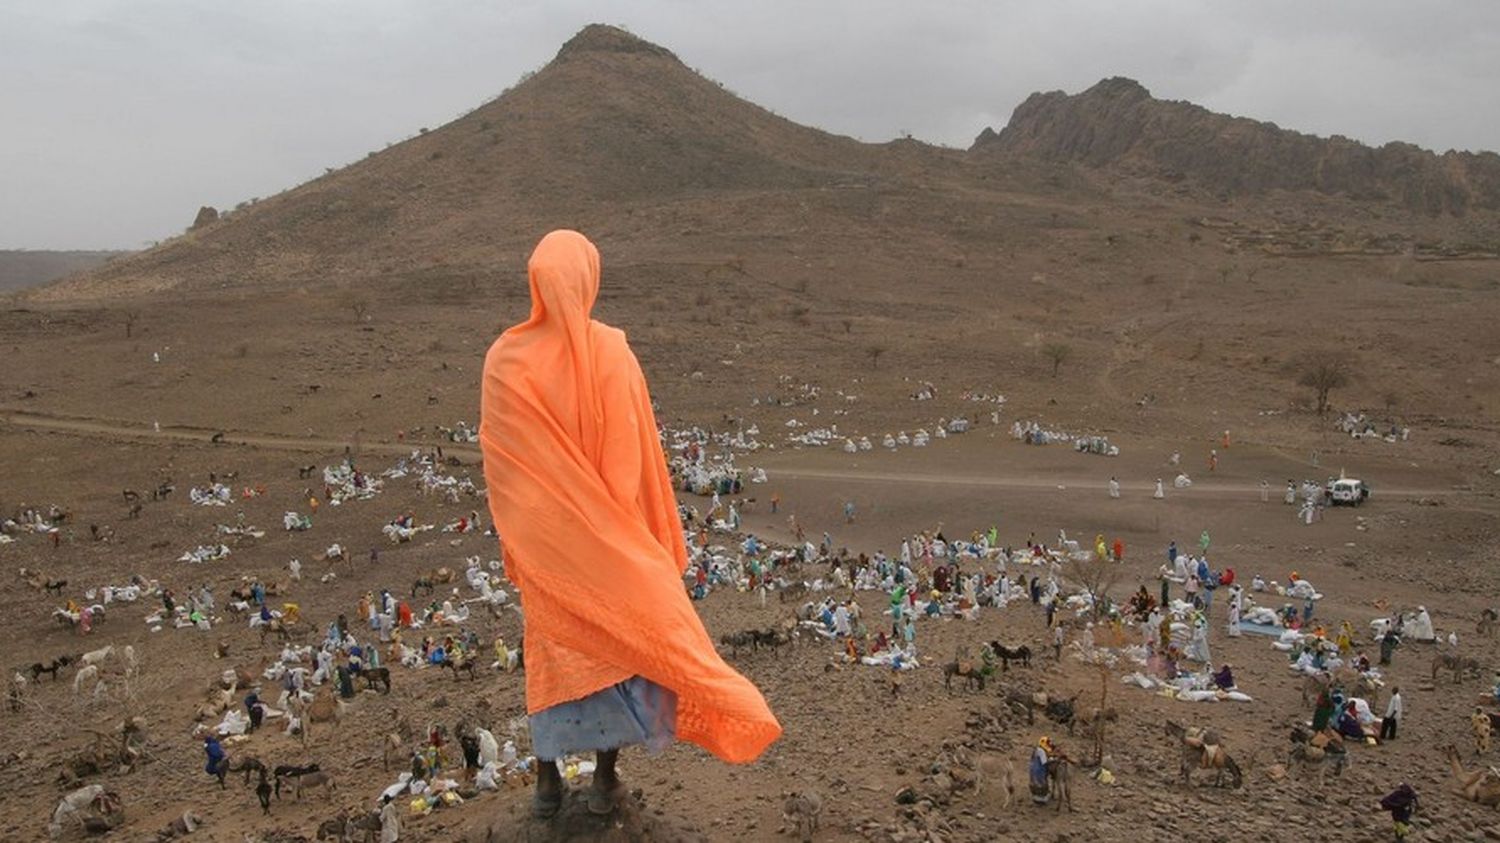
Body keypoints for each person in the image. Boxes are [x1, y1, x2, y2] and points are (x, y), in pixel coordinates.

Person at [480, 232, 780, 819]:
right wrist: (625, 535)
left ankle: (546, 787)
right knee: (623, 647)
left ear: (535, 282)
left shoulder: (504, 359)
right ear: (589, 279)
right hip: (610, 544)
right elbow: (635, 458)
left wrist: (535, 532)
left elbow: (504, 470)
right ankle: (604, 781)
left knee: (553, 653)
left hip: (544, 548)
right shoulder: (612, 353)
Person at [1029, 737, 1055, 805]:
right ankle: (1041, 800)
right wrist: (1052, 760)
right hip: (1039, 770)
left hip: (1033, 769)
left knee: (1035, 782)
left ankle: (1036, 797)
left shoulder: (1037, 749)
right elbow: (1045, 762)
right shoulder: (1041, 751)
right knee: (1041, 784)